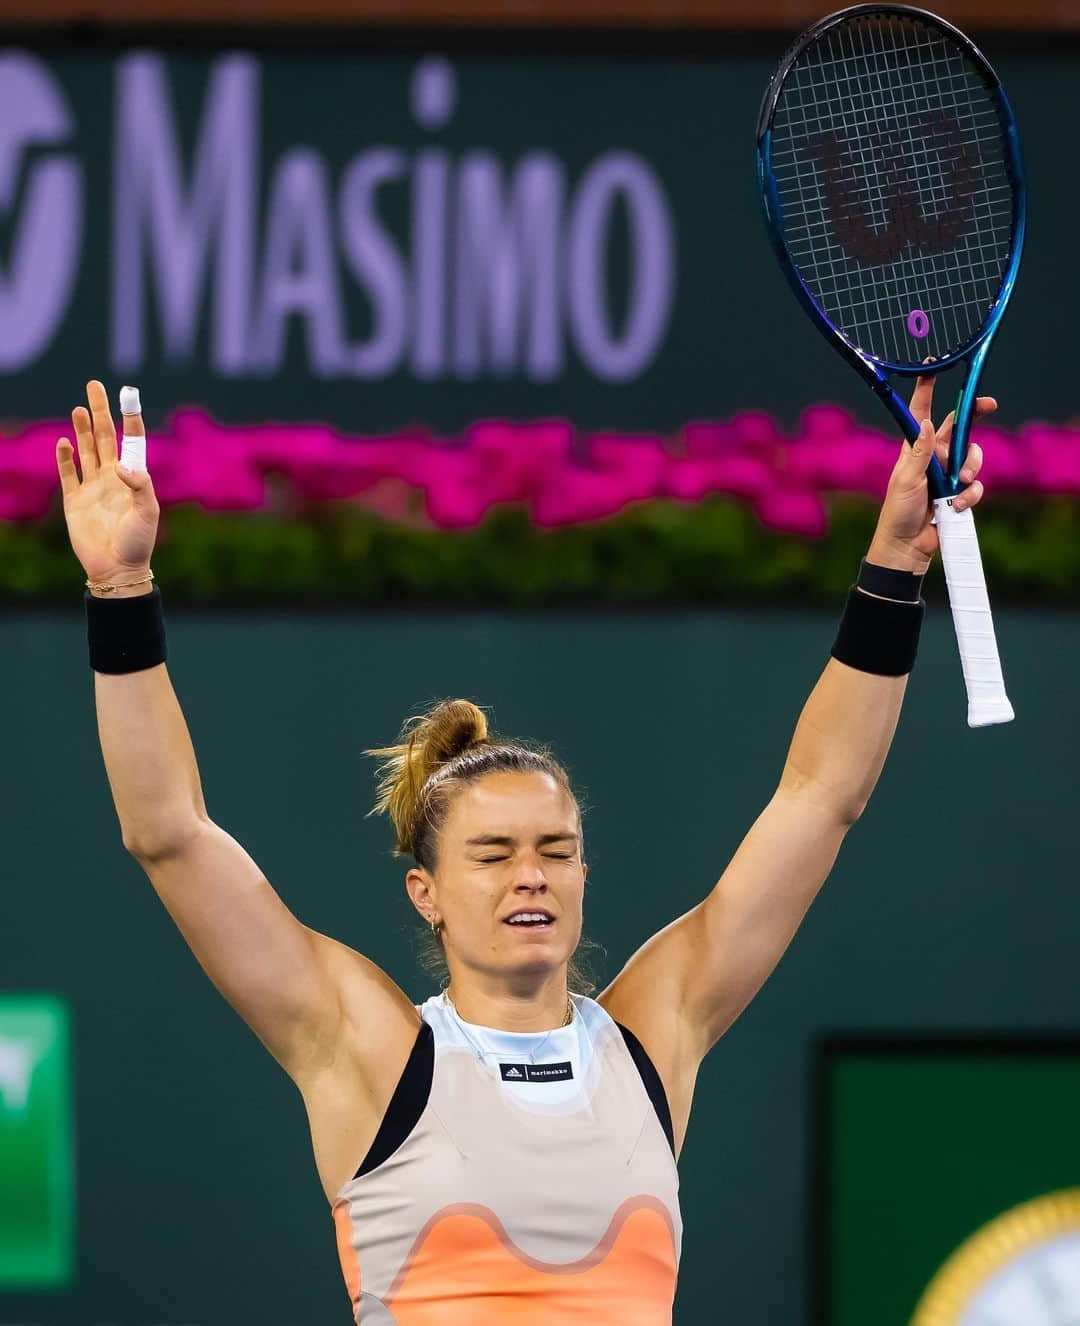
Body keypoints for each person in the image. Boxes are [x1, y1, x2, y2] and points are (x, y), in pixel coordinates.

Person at [57, 376, 990, 1324]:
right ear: (426, 891)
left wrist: (892, 564)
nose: (531, 872)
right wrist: (120, 588)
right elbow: (168, 834)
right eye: (493, 853)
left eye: (554, 847)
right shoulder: (364, 1047)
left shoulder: (653, 1038)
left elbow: (822, 798)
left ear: (584, 871)